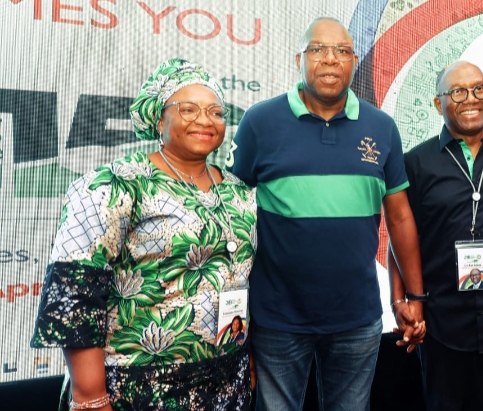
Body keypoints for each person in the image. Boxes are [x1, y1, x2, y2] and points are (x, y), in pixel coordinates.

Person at [30, 58, 257, 411]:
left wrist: (247, 359)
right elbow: (76, 293)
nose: (205, 120)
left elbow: (243, 282)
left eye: (216, 112)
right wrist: (90, 396)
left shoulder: (238, 191)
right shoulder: (115, 184)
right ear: (158, 118)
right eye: (189, 109)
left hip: (226, 384)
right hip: (138, 388)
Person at [226, 17, 425, 411]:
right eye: (317, 49)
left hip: (357, 317)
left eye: (342, 51)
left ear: (354, 61)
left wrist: (414, 296)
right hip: (277, 316)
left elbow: (400, 218)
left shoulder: (382, 127)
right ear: (298, 59)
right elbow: (230, 213)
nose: (330, 59)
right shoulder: (260, 123)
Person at [389, 61, 483, 411]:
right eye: (458, 91)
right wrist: (399, 301)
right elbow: (399, 239)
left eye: (480, 88)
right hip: (442, 327)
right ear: (438, 103)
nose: (472, 99)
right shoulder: (416, 163)